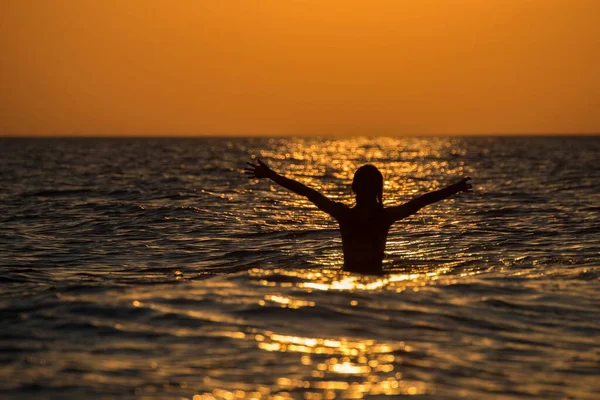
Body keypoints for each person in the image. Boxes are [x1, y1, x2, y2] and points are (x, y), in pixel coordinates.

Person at [244, 159, 472, 275]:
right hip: (377, 276)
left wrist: (272, 175)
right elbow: (422, 201)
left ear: (354, 188)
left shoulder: (344, 215)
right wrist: (455, 188)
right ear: (379, 191)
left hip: (349, 275)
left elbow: (306, 191)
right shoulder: (385, 217)